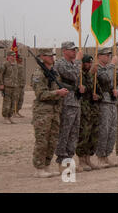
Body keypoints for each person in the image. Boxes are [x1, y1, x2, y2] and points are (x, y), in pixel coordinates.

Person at [31, 48, 69, 178]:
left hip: (54, 111)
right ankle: (38, 168)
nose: (52, 57)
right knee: (42, 141)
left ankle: (46, 166)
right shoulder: (38, 74)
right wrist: (57, 93)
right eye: (49, 56)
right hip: (43, 112)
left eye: (53, 55)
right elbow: (40, 94)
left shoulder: (53, 72)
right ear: (42, 57)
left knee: (52, 141)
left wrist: (61, 92)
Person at [54, 41, 85, 172]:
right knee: (65, 132)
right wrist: (78, 61)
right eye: (71, 50)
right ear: (64, 51)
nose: (74, 52)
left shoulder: (73, 64)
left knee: (74, 133)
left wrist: (80, 88)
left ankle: (69, 160)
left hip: (75, 101)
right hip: (66, 102)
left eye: (75, 50)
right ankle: (62, 161)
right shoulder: (61, 63)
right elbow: (72, 75)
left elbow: (76, 79)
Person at [93, 47, 118, 168]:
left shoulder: (109, 68)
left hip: (111, 101)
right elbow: (105, 78)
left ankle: (106, 155)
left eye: (109, 55)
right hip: (102, 102)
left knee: (112, 130)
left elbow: (113, 81)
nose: (108, 57)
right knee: (104, 130)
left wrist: (115, 90)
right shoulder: (97, 68)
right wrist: (112, 64)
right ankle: (100, 157)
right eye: (106, 55)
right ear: (99, 56)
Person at [75, 55, 102, 171]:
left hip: (93, 110)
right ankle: (81, 161)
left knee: (93, 135)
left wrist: (97, 96)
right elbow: (79, 90)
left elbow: (99, 92)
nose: (89, 65)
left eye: (90, 63)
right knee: (83, 135)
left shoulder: (93, 76)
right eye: (87, 63)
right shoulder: (79, 76)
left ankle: (88, 159)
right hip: (83, 109)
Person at [0, 51, 19, 124]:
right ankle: (5, 117)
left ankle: (10, 117)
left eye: (14, 56)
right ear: (8, 56)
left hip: (15, 86)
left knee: (13, 102)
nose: (13, 57)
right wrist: (1, 84)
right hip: (7, 86)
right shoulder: (4, 64)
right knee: (7, 102)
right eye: (12, 56)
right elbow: (0, 75)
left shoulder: (15, 65)